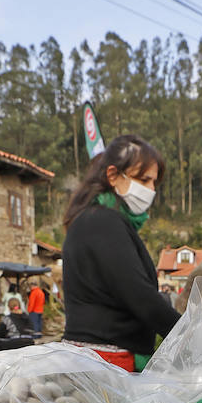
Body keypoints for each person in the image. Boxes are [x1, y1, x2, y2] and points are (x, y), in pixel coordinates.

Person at [61, 134, 180, 371]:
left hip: (93, 359)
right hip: (106, 361)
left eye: (154, 182)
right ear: (113, 176)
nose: (151, 190)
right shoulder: (103, 222)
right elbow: (139, 296)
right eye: (144, 180)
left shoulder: (93, 220)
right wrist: (195, 337)